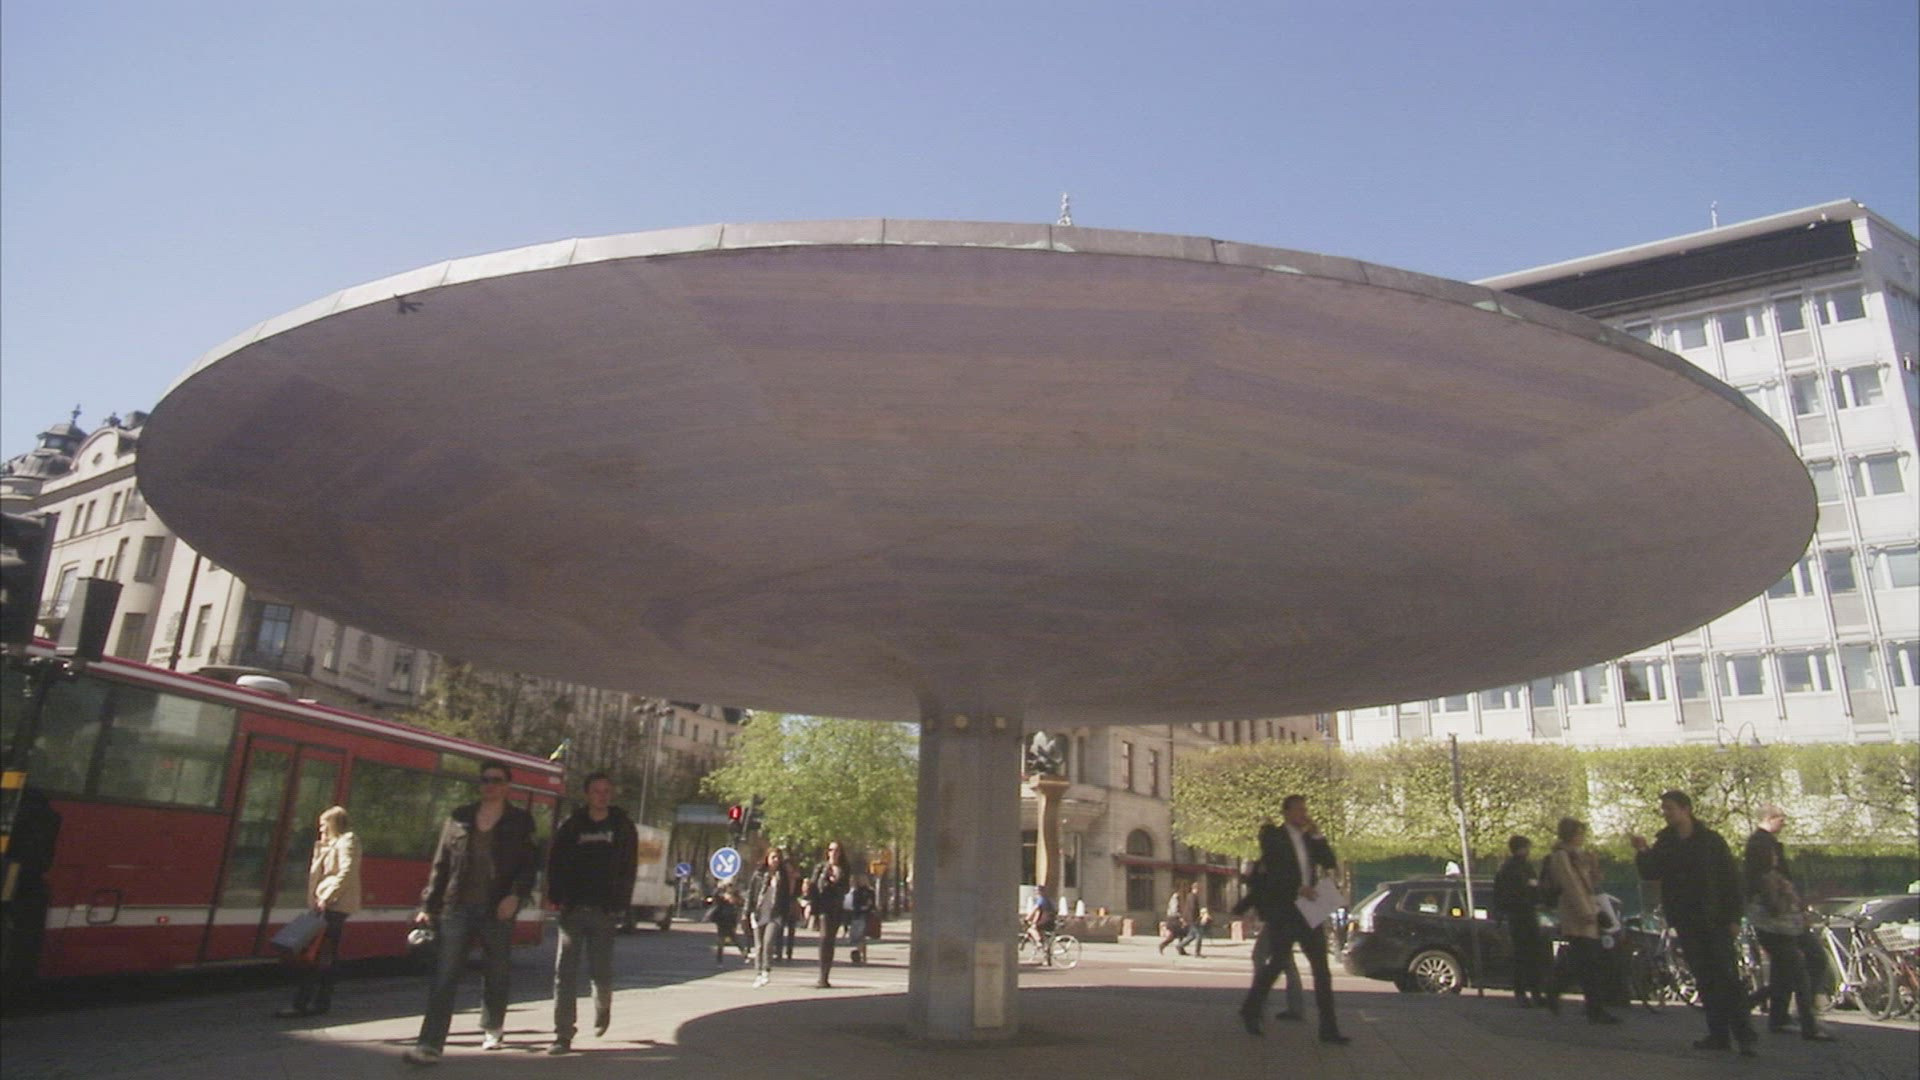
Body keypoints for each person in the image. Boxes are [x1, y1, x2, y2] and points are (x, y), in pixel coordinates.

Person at [403, 761, 540, 1066]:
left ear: (507, 786)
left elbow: (530, 865)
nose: (489, 785)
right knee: (445, 975)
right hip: (457, 906)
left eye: (496, 780)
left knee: (496, 971)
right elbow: (441, 864)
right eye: (485, 780)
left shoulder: (520, 821)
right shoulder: (460, 817)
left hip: (497, 908)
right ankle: (429, 1045)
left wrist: (516, 896)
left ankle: (492, 1026)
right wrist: (428, 906)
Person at [1631, 790, 1756, 1057]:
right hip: (1687, 920)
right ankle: (1718, 1033)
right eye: (1664, 808)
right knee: (1705, 978)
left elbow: (1730, 880)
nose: (1666, 813)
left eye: (1670, 808)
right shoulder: (1665, 843)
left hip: (1715, 918)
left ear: (1686, 809)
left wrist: (1734, 917)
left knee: (1727, 977)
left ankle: (1744, 1034)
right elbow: (1651, 872)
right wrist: (1642, 851)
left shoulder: (1710, 841)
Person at [1235, 796, 1348, 1044]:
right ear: (1286, 812)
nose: (1303, 814)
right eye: (1298, 810)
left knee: (1321, 968)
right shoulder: (1274, 836)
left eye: (1304, 809)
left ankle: (1329, 1029)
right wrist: (1297, 888)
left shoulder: (1308, 839)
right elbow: (1275, 872)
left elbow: (1328, 861)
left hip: (1309, 909)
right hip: (1285, 909)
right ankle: (1251, 1008)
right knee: (1277, 962)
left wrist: (1317, 834)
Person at [544, 772, 638, 1055]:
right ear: (587, 794)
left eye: (606, 791)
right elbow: (555, 861)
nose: (601, 796)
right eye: (596, 791)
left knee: (600, 972)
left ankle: (603, 1006)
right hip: (572, 908)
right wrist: (556, 896)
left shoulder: (622, 827)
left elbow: (629, 867)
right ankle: (563, 1034)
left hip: (604, 910)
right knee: (564, 974)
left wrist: (621, 903)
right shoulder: (572, 825)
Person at [1743, 806, 1834, 1042]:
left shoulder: (1765, 849)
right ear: (1770, 818)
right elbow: (1774, 903)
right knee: (1804, 966)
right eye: (1781, 819)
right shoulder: (1763, 855)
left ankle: (1767, 1011)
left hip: (1782, 925)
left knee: (1786, 971)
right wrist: (1795, 906)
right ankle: (1806, 1022)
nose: (1784, 823)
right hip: (1780, 926)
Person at [275, 805, 361, 1018]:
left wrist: (326, 897)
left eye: (323, 824)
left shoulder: (347, 841)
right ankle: (321, 1002)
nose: (320, 828)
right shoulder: (332, 843)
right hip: (327, 905)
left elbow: (346, 872)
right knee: (324, 957)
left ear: (333, 823)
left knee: (315, 956)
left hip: (332, 907)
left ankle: (301, 1004)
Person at [1542, 818, 1621, 1024]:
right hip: (1577, 914)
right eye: (1579, 833)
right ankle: (1591, 1007)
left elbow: (1591, 883)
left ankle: (1558, 990)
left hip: (1587, 912)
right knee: (1587, 961)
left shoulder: (1579, 855)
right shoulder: (1561, 856)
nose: (1581, 837)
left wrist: (1593, 866)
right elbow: (1570, 885)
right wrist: (1586, 911)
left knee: (1583, 961)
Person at [1493, 834, 1549, 1009]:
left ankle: (1531, 992)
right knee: (1524, 955)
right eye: (1526, 848)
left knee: (1528, 955)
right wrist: (1532, 897)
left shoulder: (1515, 867)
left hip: (1523, 914)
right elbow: (1523, 889)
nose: (1528, 851)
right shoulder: (1515, 868)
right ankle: (1525, 992)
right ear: (1521, 848)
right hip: (1520, 915)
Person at [746, 848, 794, 987]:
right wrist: (746, 912)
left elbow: (786, 897)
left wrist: (784, 915)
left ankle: (766, 971)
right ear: (767, 858)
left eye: (778, 858)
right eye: (773, 857)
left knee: (768, 942)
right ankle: (758, 973)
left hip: (774, 915)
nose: (776, 860)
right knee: (759, 946)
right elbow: (751, 894)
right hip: (759, 913)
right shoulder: (758, 875)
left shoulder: (782, 877)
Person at [810, 841, 852, 988]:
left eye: (836, 850)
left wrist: (836, 883)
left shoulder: (844, 869)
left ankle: (826, 975)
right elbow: (814, 887)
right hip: (823, 907)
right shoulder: (821, 868)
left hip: (836, 908)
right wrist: (810, 905)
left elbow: (846, 889)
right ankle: (822, 976)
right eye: (831, 850)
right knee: (824, 938)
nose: (833, 853)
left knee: (830, 940)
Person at [705, 883, 751, 964]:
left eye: (731, 896)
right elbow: (715, 895)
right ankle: (719, 961)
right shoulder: (722, 901)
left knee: (736, 941)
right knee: (721, 943)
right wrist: (719, 888)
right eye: (728, 895)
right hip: (722, 924)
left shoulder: (735, 904)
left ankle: (745, 956)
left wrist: (734, 925)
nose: (730, 898)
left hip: (729, 925)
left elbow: (735, 915)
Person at [845, 873, 876, 964]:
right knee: (859, 937)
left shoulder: (870, 891)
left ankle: (862, 955)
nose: (863, 881)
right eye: (861, 880)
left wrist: (869, 907)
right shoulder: (856, 892)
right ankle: (860, 954)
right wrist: (863, 907)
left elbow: (873, 904)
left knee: (862, 937)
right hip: (858, 915)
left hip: (866, 916)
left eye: (864, 879)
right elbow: (854, 905)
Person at [1024, 883, 1058, 962]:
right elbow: (1038, 913)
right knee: (1041, 934)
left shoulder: (1041, 899)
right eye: (1035, 890)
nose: (1036, 892)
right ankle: (1046, 957)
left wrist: (1027, 918)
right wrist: (1034, 922)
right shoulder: (1046, 899)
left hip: (1046, 920)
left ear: (1041, 892)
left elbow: (1035, 910)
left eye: (1037, 891)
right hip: (1050, 920)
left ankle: (1039, 942)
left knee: (1031, 930)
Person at [1158, 883, 1191, 955]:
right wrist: (1181, 917)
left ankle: (1180, 949)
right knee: (1175, 935)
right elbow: (1174, 910)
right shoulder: (1175, 898)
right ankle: (1163, 945)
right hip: (1173, 919)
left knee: (1180, 934)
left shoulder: (1179, 898)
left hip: (1175, 918)